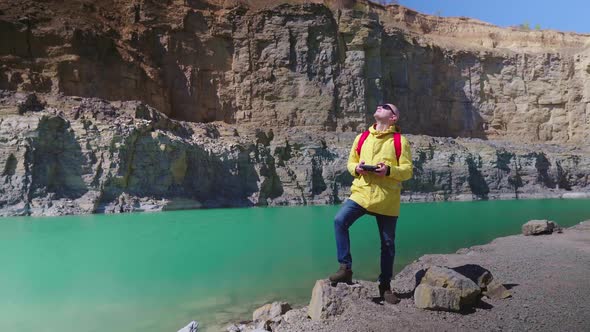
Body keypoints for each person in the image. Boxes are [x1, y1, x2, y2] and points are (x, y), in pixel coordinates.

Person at [328, 103, 413, 304]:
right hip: (362, 193)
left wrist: (389, 170)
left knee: (388, 244)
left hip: (387, 198)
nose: (379, 107)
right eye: (378, 106)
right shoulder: (362, 137)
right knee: (340, 221)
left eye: (385, 107)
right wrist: (357, 168)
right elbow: (350, 163)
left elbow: (408, 170)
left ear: (393, 118)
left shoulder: (400, 141)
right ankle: (345, 268)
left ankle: (385, 286)